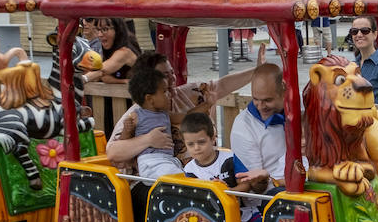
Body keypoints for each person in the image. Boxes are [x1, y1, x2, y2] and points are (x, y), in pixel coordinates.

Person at [105, 45, 266, 174]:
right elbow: (113, 153)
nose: (172, 79)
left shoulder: (189, 93)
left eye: (171, 73)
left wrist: (257, 71)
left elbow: (221, 85)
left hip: (204, 172)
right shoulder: (138, 113)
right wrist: (148, 139)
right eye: (164, 75)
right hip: (160, 179)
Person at [180, 110, 270, 222]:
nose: (196, 148)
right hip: (216, 218)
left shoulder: (228, 158)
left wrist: (228, 191)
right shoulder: (190, 171)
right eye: (191, 144)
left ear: (213, 138)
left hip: (244, 212)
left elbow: (246, 185)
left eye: (201, 142)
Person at [229, 62, 288, 188]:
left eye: (267, 100)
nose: (260, 107)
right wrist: (266, 180)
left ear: (284, 91)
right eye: (256, 99)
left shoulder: (300, 110)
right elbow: (254, 188)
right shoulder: (243, 126)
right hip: (270, 198)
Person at [126, 60, 184, 179]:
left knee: (184, 176)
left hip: (168, 160)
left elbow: (184, 116)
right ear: (150, 99)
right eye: (164, 91)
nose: (169, 94)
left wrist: (204, 106)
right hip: (151, 162)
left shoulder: (164, 114)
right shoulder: (136, 115)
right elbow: (123, 142)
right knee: (177, 178)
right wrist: (127, 130)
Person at [350, 16, 378, 104]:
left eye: (365, 31)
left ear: (375, 34)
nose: (359, 35)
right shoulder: (352, 65)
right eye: (354, 31)